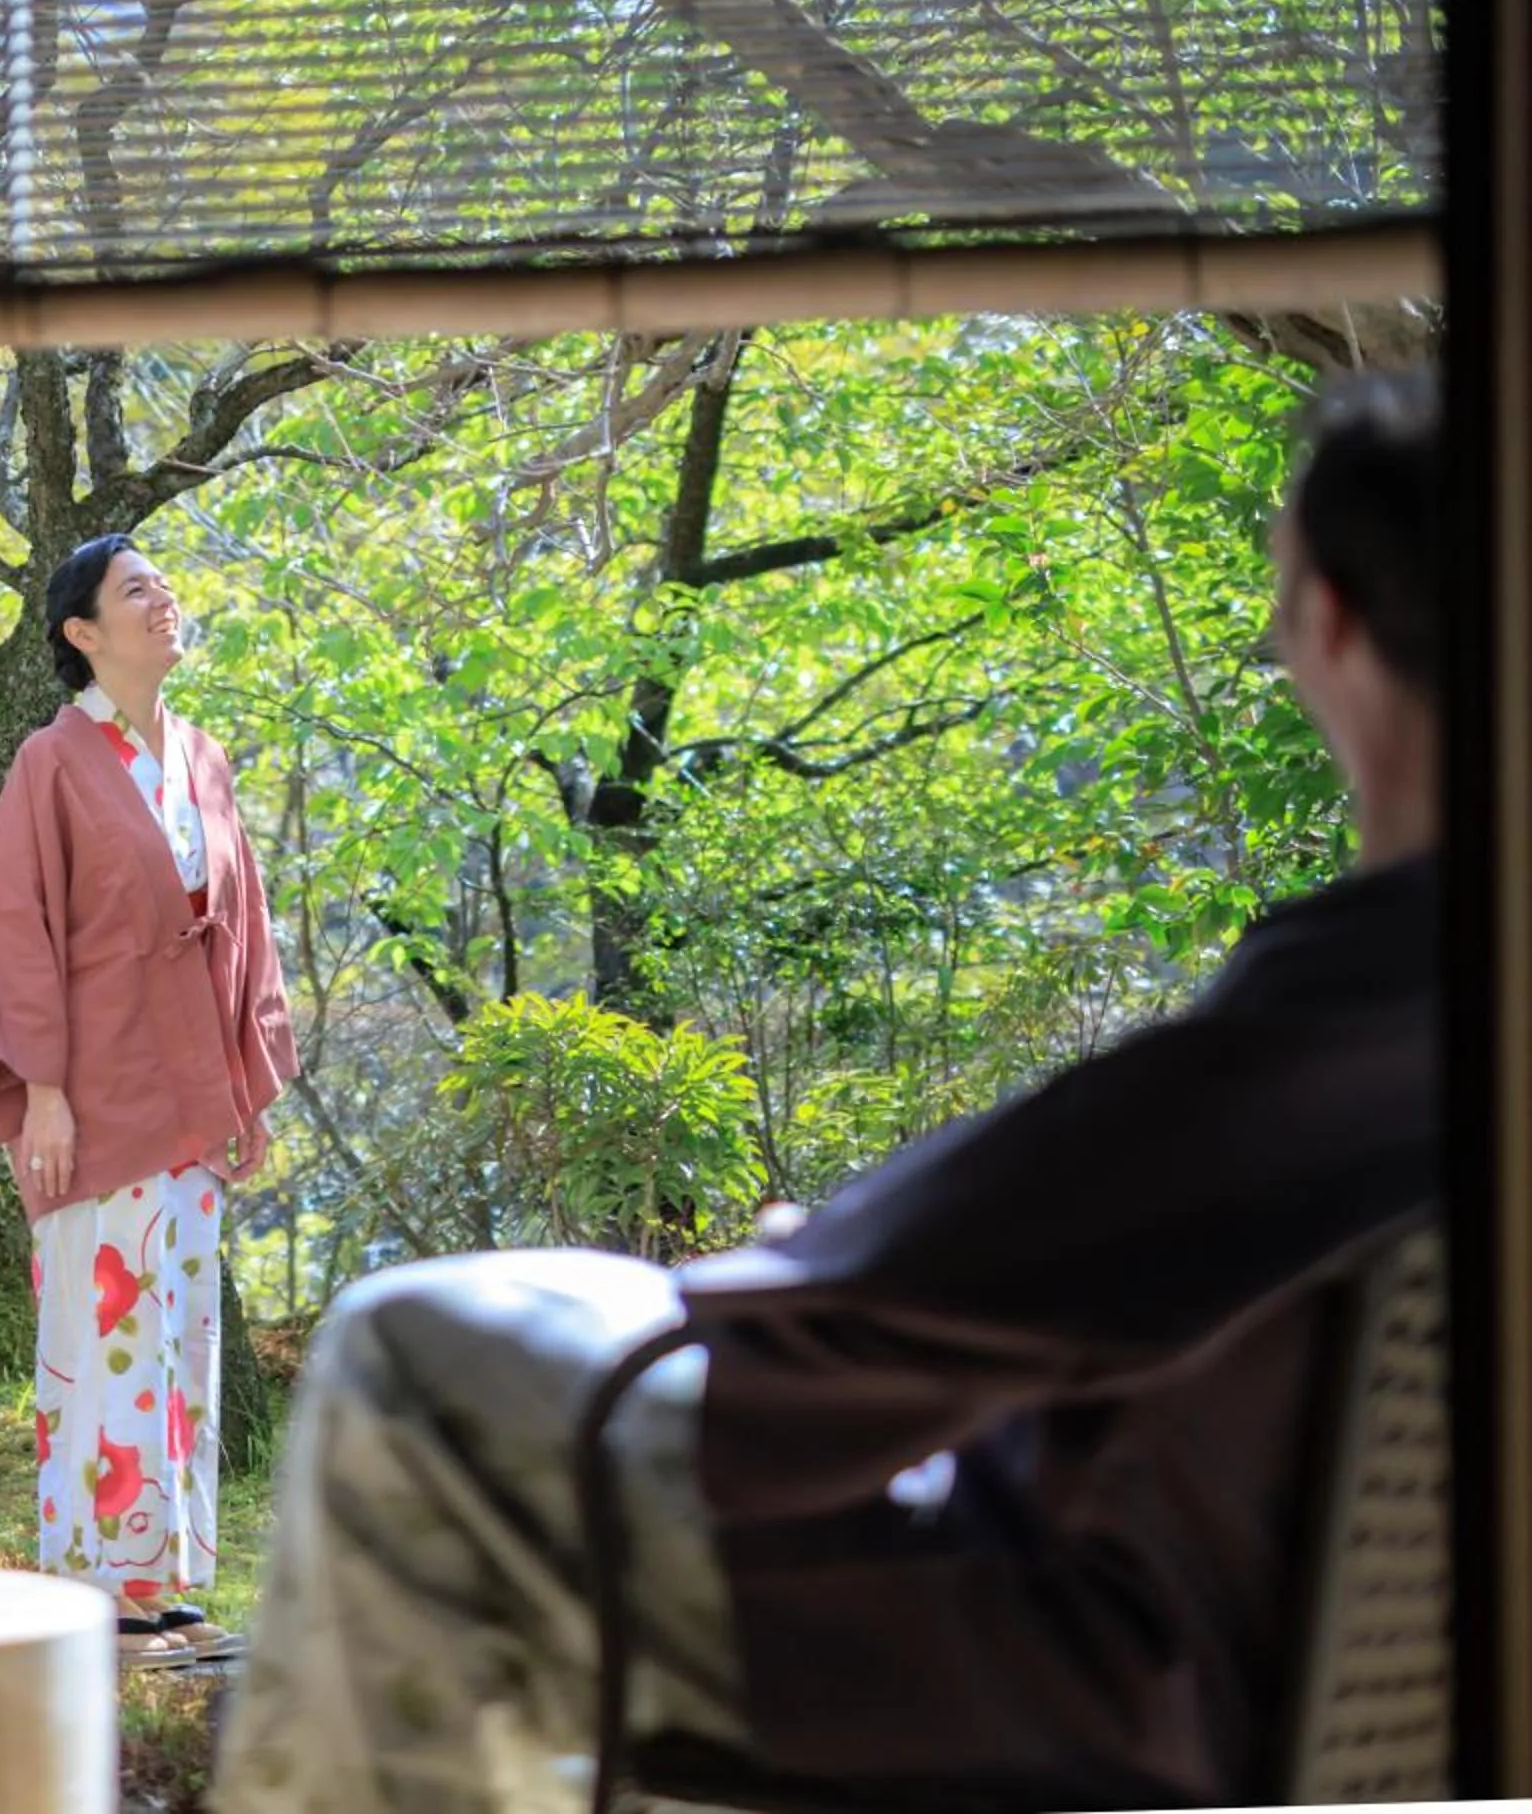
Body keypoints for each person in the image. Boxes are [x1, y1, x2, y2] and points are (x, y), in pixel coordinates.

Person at [214, 367, 1444, 1811]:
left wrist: (796, 1256)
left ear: (1337, 623)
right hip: (1339, 1661)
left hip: (1112, 1662)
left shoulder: (1356, 1015)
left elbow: (833, 1334)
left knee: (405, 1359)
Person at [0, 533, 300, 1669]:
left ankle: (170, 1581)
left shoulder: (200, 756)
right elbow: (17, 927)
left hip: (192, 1087)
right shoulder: (49, 763)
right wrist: (41, 1093)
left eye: (165, 586)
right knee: (98, 1330)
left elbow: (240, 928)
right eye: (135, 591)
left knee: (181, 1333)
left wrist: (244, 1078)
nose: (164, 602)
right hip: (93, 1091)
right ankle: (98, 1586)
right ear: (83, 633)